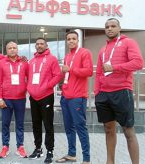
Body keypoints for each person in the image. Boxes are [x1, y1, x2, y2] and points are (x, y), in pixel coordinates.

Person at [94, 18, 143, 164]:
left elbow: (138, 63)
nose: (110, 28)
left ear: (119, 28)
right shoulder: (103, 49)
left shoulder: (129, 42)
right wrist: (97, 92)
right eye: (107, 26)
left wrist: (115, 67)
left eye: (113, 26)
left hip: (122, 91)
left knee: (128, 131)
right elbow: (98, 73)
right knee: (109, 130)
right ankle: (110, 162)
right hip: (103, 95)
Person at [56, 31, 93, 164]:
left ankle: (86, 159)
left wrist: (70, 70)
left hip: (77, 97)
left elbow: (89, 71)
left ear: (78, 40)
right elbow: (66, 74)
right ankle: (71, 154)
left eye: (73, 39)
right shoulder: (67, 56)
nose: (71, 41)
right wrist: (62, 86)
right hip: (65, 97)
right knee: (68, 127)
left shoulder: (84, 52)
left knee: (80, 127)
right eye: (68, 39)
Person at [27, 37, 62, 163]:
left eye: (42, 44)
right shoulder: (31, 61)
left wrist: (47, 86)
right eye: (37, 44)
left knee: (48, 125)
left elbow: (58, 75)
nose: (39, 45)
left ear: (46, 45)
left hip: (46, 96)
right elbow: (28, 76)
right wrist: (29, 87)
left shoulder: (52, 59)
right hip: (33, 97)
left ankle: (50, 151)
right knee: (36, 124)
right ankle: (38, 149)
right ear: (35, 46)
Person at [0, 41, 28, 158]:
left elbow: (30, 77)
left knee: (20, 124)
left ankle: (20, 147)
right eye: (10, 48)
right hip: (6, 99)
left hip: (20, 98)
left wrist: (27, 89)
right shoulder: (1, 63)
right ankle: (5, 147)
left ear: (17, 49)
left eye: (14, 48)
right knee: (5, 124)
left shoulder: (24, 63)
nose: (12, 50)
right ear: (6, 50)